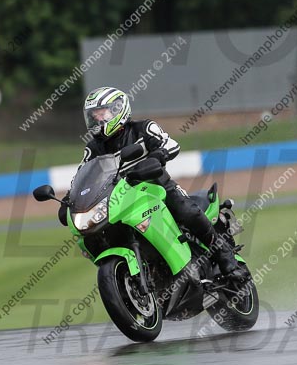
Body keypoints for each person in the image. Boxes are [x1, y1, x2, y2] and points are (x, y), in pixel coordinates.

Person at [59, 86, 244, 279]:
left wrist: (157, 156)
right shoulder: (93, 148)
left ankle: (225, 256)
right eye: (93, 116)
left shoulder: (143, 128)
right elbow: (82, 174)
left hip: (157, 186)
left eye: (101, 113)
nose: (97, 120)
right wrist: (69, 199)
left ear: (117, 110)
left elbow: (170, 144)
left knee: (185, 211)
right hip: (122, 197)